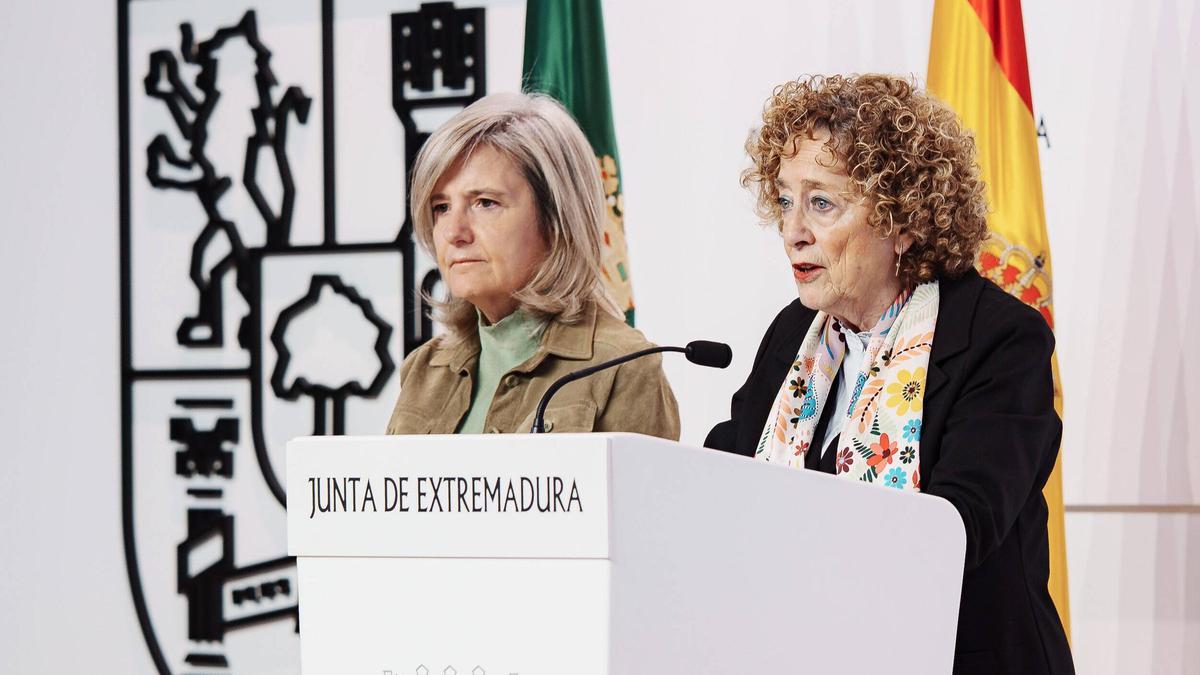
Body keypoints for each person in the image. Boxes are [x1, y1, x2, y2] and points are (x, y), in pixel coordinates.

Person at [706, 74, 1073, 674]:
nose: (793, 229)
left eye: (821, 202)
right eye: (784, 201)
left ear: (903, 219)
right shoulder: (791, 339)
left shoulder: (999, 339)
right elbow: (728, 479)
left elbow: (962, 526)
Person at [385, 92, 679, 439]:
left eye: (485, 202)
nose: (453, 233)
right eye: (441, 207)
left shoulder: (626, 368)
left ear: (556, 219)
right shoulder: (424, 368)